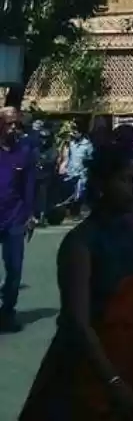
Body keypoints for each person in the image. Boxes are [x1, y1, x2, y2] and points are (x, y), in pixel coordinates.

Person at [19, 144, 133, 421]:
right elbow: (77, 323)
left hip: (132, 367)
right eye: (124, 180)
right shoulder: (80, 243)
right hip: (88, 374)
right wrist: (113, 382)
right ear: (101, 184)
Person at [0, 106, 37, 333]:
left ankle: (7, 311)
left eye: (16, 124)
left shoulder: (24, 152)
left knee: (14, 268)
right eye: (9, 123)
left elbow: (29, 187)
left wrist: (31, 214)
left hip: (14, 218)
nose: (14, 128)